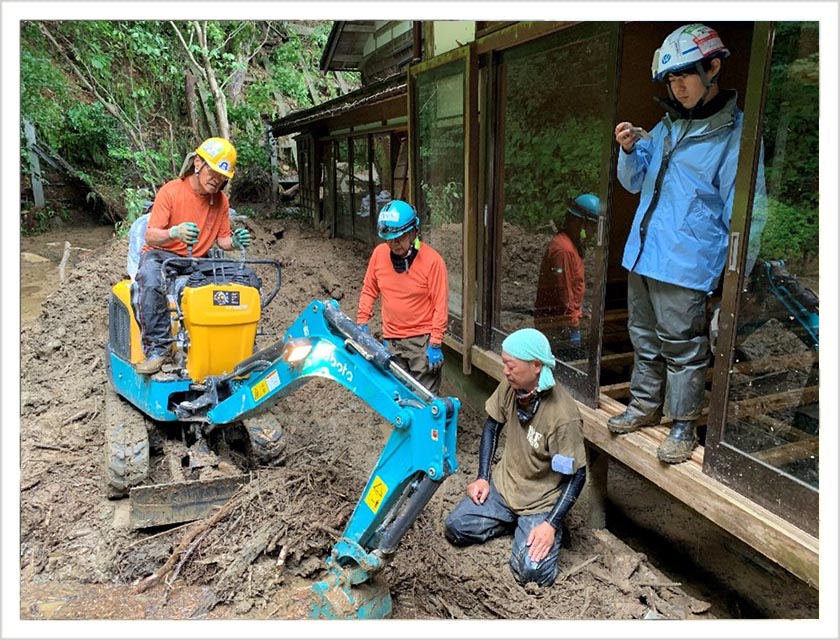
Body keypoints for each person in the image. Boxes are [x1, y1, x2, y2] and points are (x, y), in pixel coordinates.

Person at [609, 24, 749, 464]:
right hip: (643, 256)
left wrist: (734, 275)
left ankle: (683, 425)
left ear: (713, 67)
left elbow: (744, 212)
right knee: (643, 339)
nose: (677, 86)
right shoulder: (668, 128)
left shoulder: (734, 136)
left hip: (687, 264)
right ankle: (644, 406)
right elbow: (632, 184)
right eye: (671, 79)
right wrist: (630, 151)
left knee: (684, 349)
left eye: (685, 75)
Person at [444, 328, 587, 587]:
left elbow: (576, 475)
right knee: (457, 527)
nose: (505, 371)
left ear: (536, 366)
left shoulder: (562, 417)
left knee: (531, 572)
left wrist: (551, 524)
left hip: (539, 503)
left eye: (510, 365)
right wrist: (483, 478)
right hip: (504, 487)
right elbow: (492, 426)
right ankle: (515, 523)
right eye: (504, 364)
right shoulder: (512, 387)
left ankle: (536, 528)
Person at [131, 137, 252, 374]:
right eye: (214, 173)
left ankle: (235, 343)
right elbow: (151, 236)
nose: (217, 181)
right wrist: (174, 232)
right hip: (162, 255)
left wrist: (234, 242)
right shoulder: (171, 192)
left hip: (198, 259)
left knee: (245, 278)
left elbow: (222, 240)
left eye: (222, 178)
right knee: (150, 280)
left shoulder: (221, 201)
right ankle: (158, 348)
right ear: (198, 163)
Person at [356, 200, 449, 394]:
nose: (393, 245)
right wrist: (362, 322)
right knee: (397, 395)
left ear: (414, 232)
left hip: (421, 343)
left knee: (425, 400)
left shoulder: (433, 262)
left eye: (399, 239)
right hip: (392, 341)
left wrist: (435, 343)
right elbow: (369, 289)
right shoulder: (379, 255)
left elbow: (440, 305)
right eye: (389, 240)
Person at [534, 193, 600, 349]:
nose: (593, 232)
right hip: (557, 326)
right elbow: (564, 293)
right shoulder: (563, 250)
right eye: (592, 226)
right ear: (582, 223)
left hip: (563, 323)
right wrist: (573, 326)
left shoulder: (571, 246)